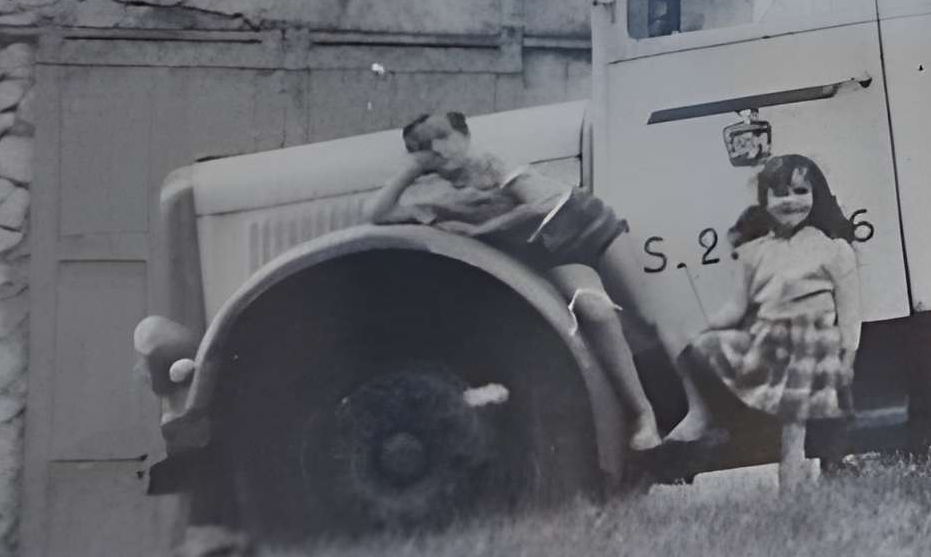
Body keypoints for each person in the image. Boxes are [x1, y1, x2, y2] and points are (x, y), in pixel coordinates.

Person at [367, 109, 666, 455]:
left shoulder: (494, 164)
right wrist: (412, 169)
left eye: (443, 137)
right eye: (423, 146)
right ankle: (642, 415)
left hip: (578, 229)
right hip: (550, 258)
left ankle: (669, 411)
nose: (437, 149)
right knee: (594, 310)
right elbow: (376, 213)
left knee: (645, 311)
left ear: (464, 136)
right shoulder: (442, 196)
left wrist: (478, 230)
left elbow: (540, 208)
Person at [663, 151, 862, 492]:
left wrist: (846, 361)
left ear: (816, 196)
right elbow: (737, 306)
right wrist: (703, 326)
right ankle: (701, 416)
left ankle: (793, 479)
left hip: (814, 349)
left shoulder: (833, 249)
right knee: (695, 349)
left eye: (801, 192)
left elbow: (851, 316)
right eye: (780, 193)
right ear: (765, 200)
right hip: (769, 342)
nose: (791, 202)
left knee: (794, 411)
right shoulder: (757, 251)